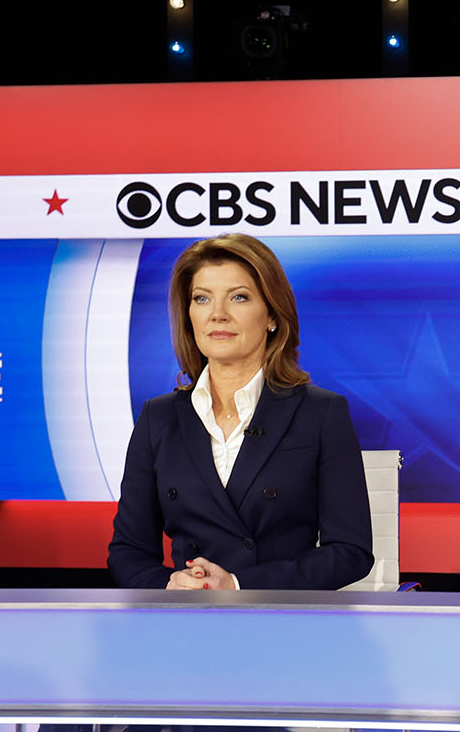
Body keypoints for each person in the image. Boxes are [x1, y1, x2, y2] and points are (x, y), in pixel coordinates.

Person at [108, 234, 373, 591]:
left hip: (281, 624)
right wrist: (171, 585)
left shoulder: (321, 413)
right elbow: (128, 551)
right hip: (186, 625)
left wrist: (237, 584)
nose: (218, 313)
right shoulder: (159, 418)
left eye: (239, 297)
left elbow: (350, 552)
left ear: (272, 317)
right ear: (189, 317)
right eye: (202, 298)